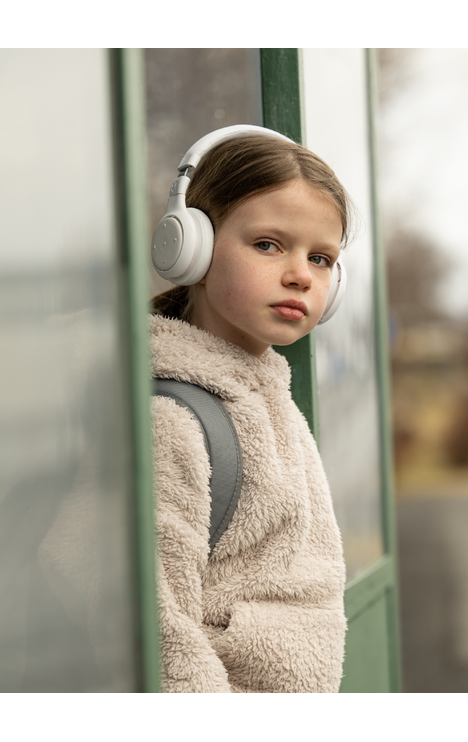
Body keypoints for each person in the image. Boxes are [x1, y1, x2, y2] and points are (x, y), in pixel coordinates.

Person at [150, 126, 350, 693]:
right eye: (268, 244)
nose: (300, 274)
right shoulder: (173, 418)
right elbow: (154, 626)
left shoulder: (268, 398)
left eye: (321, 258)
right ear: (193, 248)